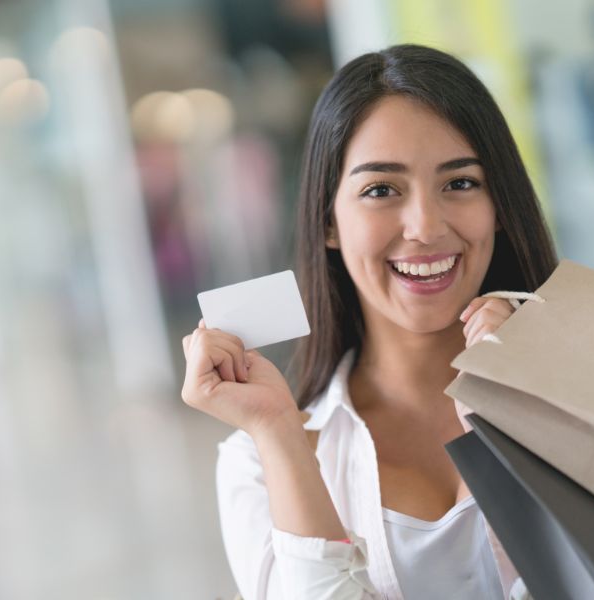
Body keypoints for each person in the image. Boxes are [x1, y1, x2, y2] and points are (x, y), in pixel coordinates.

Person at [181, 44, 558, 600]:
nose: (425, 227)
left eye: (460, 183)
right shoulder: (256, 463)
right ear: (328, 222)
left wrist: (540, 400)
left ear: (499, 206)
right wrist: (280, 434)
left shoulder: (581, 388)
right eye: (381, 190)